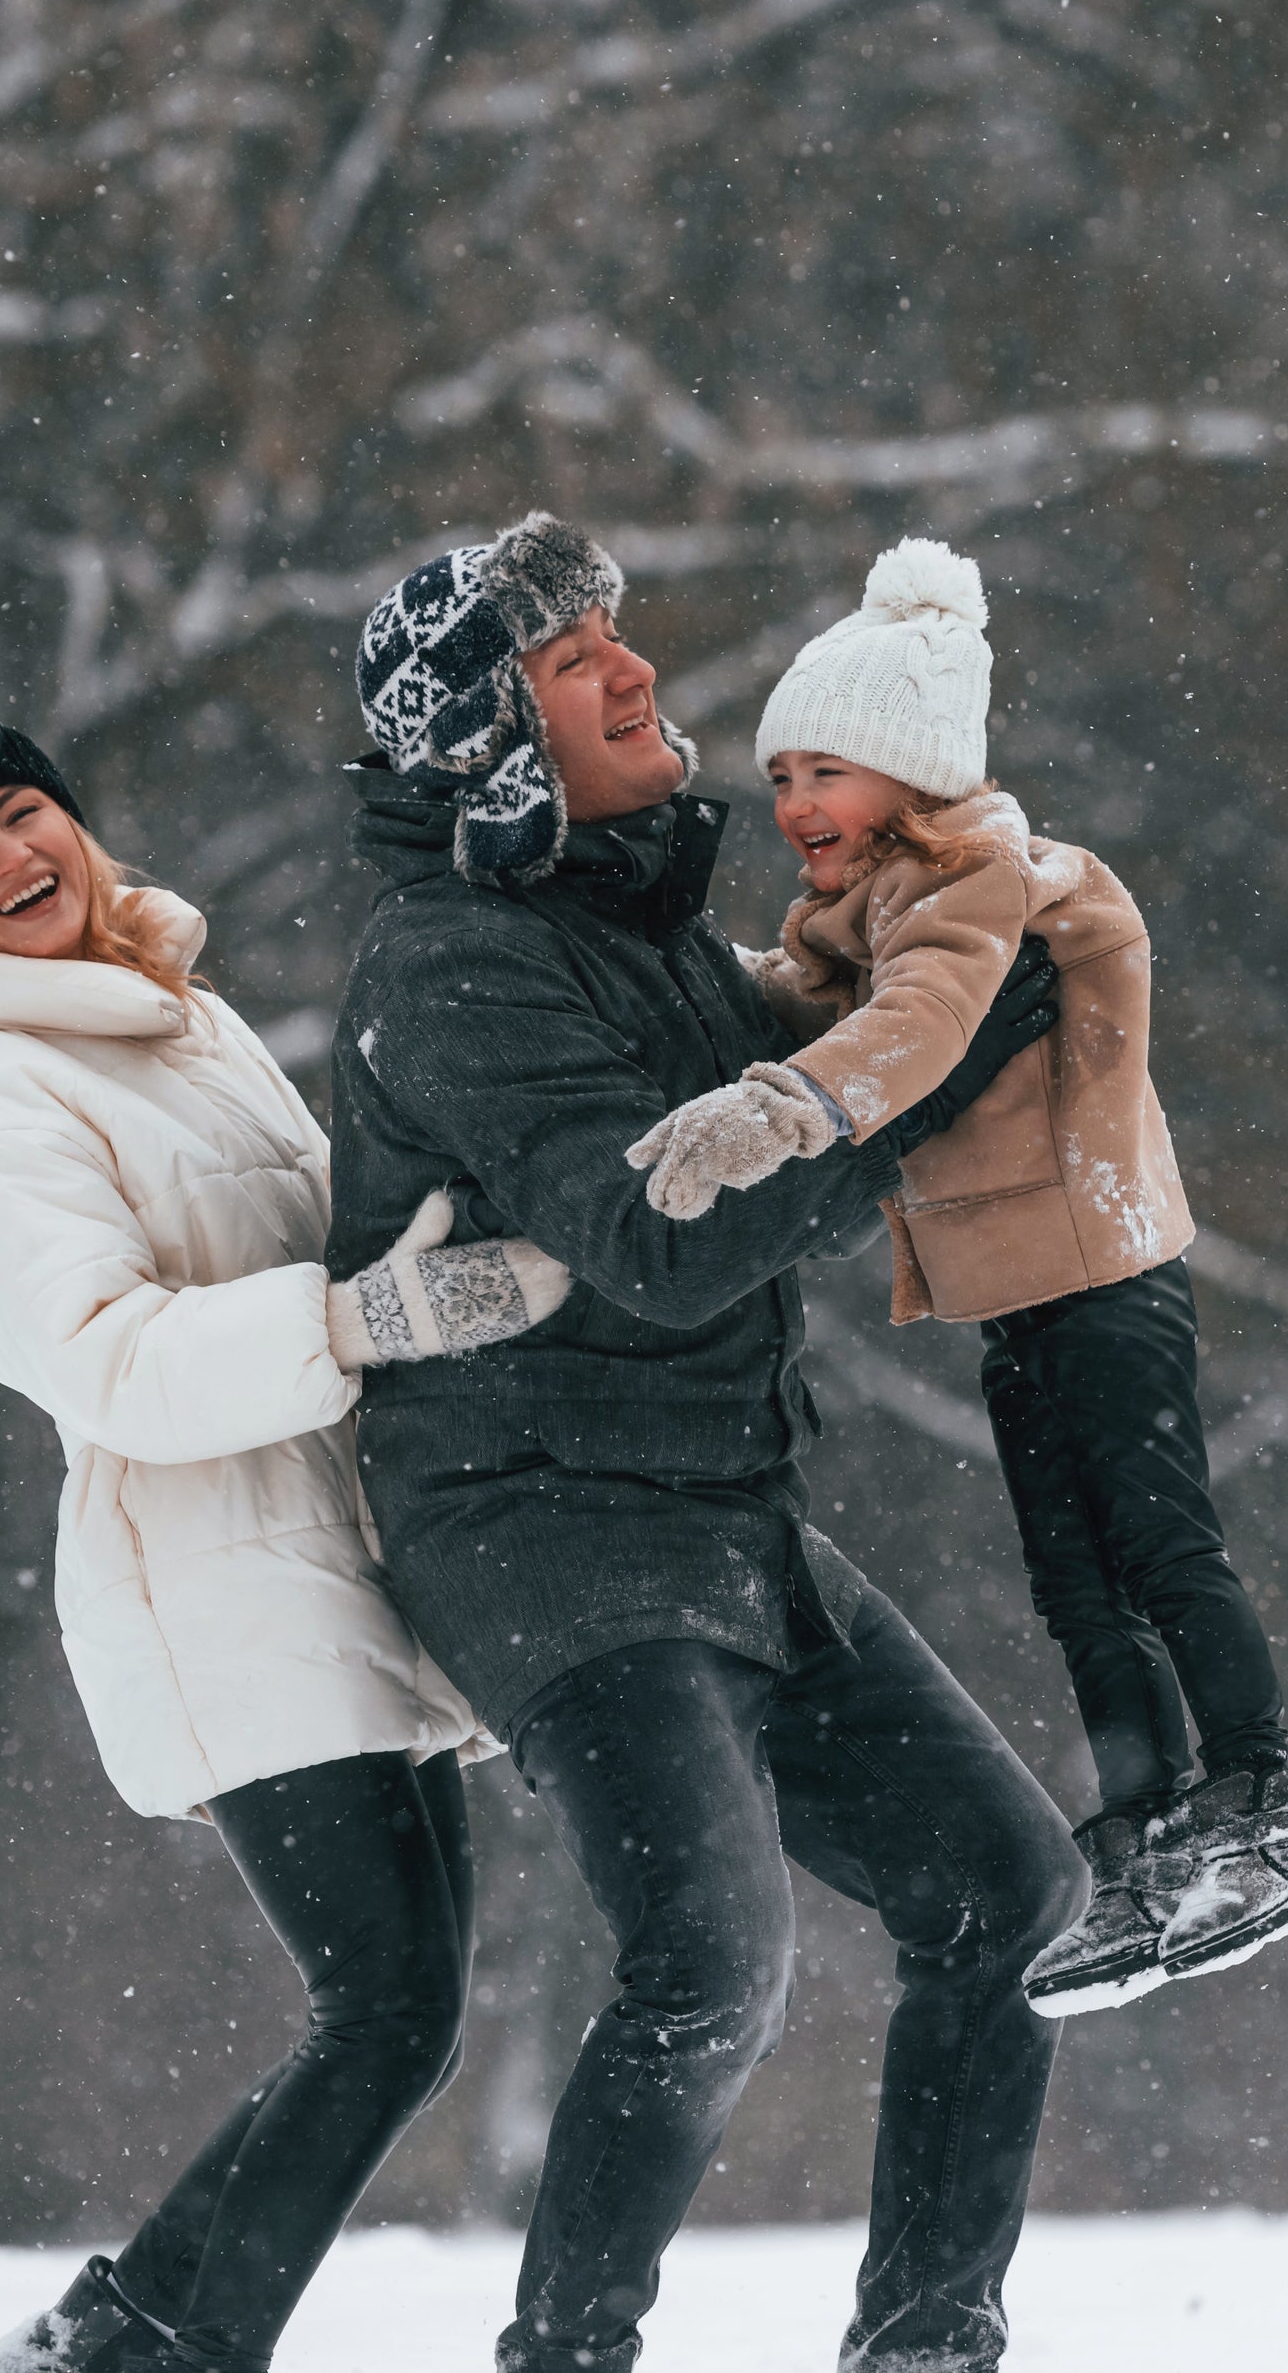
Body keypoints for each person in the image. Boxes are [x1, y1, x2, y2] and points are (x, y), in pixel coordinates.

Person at [322, 514, 1084, 2373]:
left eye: (616, 636)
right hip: (540, 1527)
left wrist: (973, 940)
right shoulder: (458, 962)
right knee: (712, 1968)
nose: (639, 671)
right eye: (581, 662)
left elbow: (838, 1065)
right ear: (502, 747)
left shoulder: (648, 937)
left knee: (1011, 1898)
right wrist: (935, 1092)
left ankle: (925, 2342)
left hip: (717, 1511)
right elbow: (664, 1243)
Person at [0, 702, 570, 2373]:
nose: (4, 859)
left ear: (78, 825)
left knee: (407, 2023)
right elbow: (109, 1362)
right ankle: (144, 2348)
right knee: (388, 2012)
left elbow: (318, 1239)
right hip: (214, 1579)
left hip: (335, 1558)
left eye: (20, 812)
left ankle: (126, 2342)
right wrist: (369, 1318)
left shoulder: (184, 1025)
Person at [625, 540, 1288, 2018]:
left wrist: (777, 1110)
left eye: (826, 771)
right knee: (1074, 1579)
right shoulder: (874, 904)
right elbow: (814, 993)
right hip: (1027, 1292)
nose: (796, 808)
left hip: (1104, 1276)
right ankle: (1146, 1830)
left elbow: (920, 1023)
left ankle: (1263, 1804)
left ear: (910, 771)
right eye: (781, 781)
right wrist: (683, 965)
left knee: (1157, 1544)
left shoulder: (977, 882)